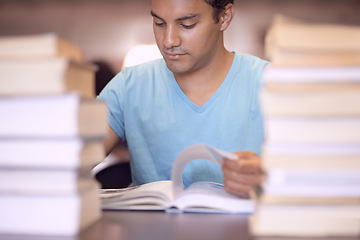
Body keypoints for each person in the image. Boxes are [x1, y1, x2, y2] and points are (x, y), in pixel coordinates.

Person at [98, 0, 269, 198]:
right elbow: (69, 160)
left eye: (187, 25)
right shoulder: (128, 86)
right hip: (152, 229)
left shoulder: (272, 84)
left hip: (246, 228)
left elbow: (308, 177)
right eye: (159, 23)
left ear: (224, 17)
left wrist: (274, 180)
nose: (168, 41)